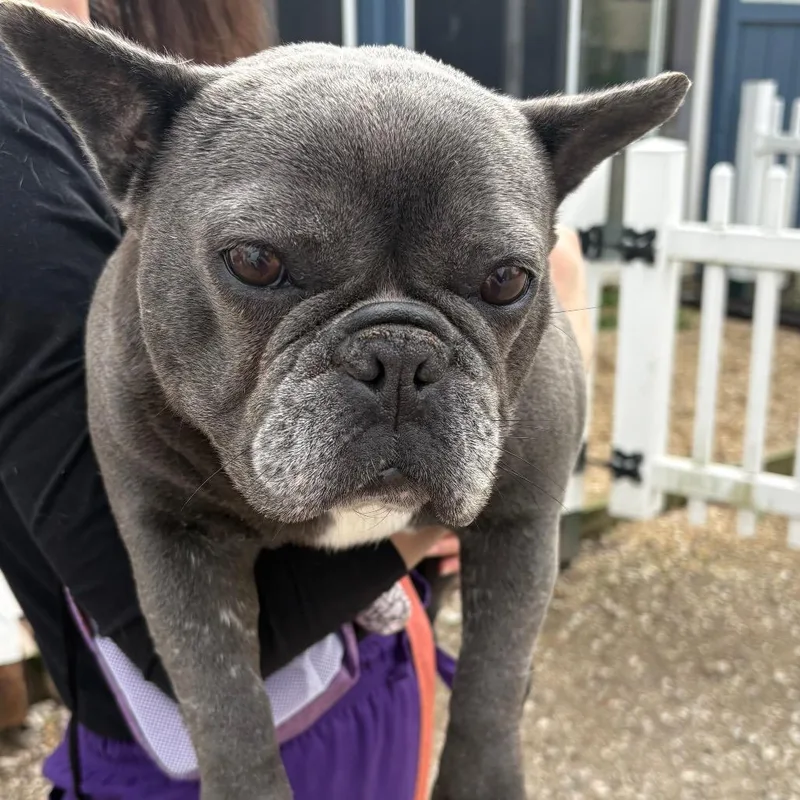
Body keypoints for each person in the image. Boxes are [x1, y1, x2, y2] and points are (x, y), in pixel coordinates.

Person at [0, 2, 591, 798]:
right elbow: (157, 564)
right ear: (126, 140)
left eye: (500, 282)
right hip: (176, 744)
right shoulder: (24, 151)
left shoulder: (205, 49)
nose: (395, 370)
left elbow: (523, 509)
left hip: (377, 665)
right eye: (260, 266)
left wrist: (485, 746)